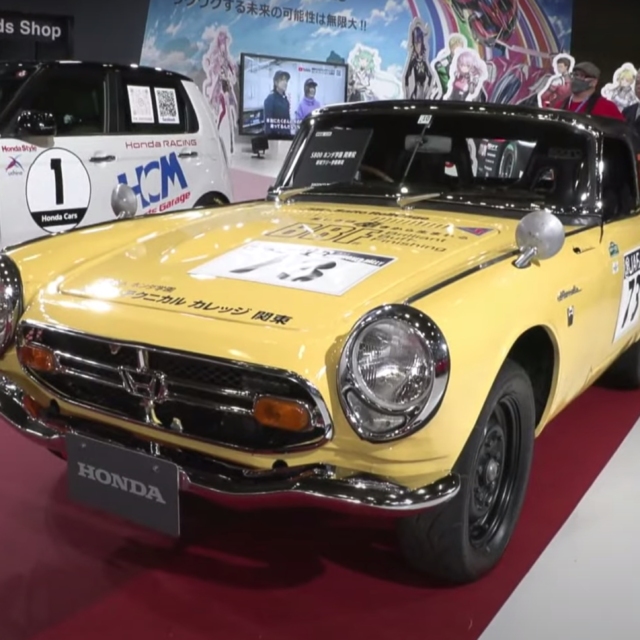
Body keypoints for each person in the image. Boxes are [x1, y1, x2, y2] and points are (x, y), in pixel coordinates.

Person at [263, 70, 291, 136]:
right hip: (274, 137)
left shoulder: (285, 100)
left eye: (286, 80)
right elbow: (268, 125)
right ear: (276, 82)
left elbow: (287, 123)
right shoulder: (270, 99)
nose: (285, 83)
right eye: (282, 80)